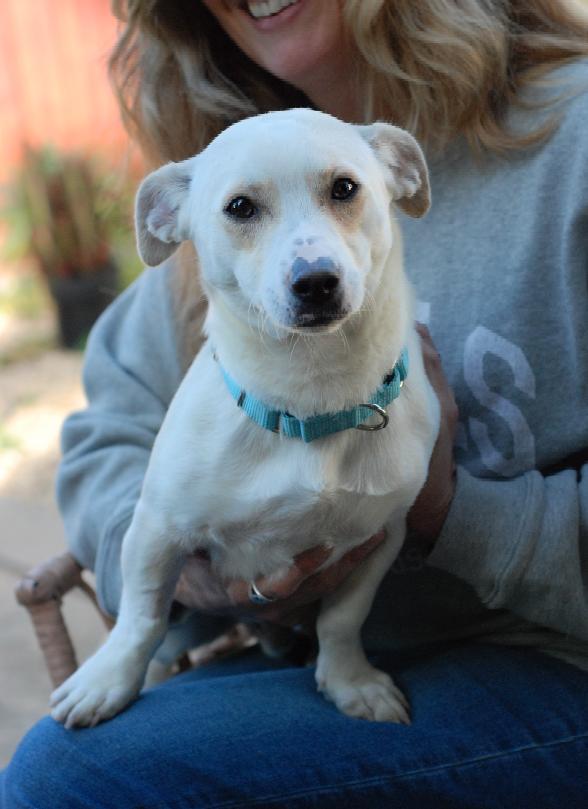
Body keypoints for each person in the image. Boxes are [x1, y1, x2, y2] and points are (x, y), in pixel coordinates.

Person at [3, 0, 588, 805]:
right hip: (296, 655)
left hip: (550, 662)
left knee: (70, 783)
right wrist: (190, 580)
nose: (306, 256)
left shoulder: (573, 139)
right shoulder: (223, 168)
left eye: (342, 192)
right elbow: (110, 432)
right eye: (246, 212)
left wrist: (445, 509)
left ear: (396, 179)